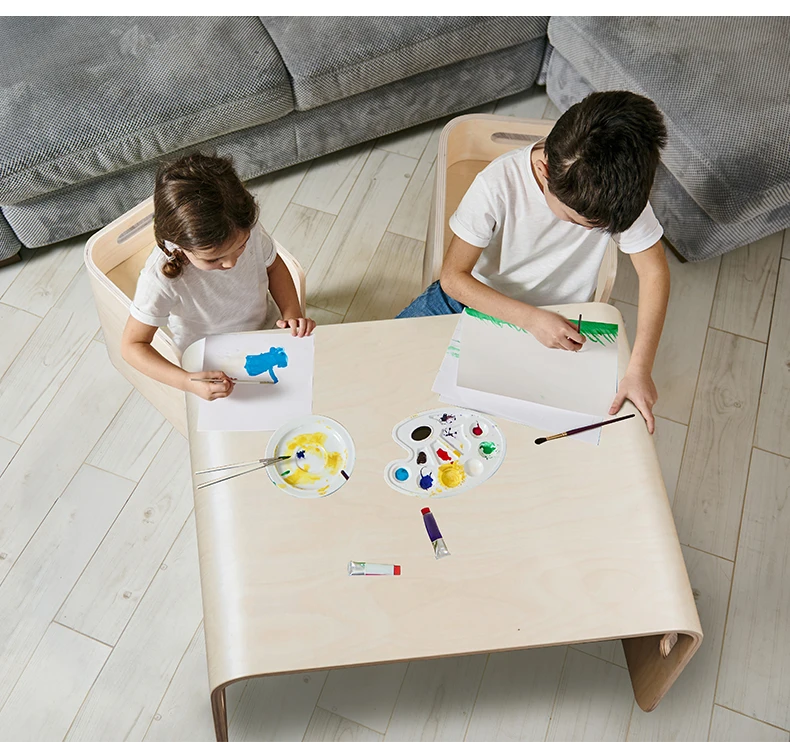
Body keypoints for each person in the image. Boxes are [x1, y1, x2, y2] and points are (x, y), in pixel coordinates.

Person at [398, 91, 670, 433]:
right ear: (544, 172)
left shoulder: (619, 192)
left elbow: (654, 271)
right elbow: (453, 278)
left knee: (521, 437)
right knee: (387, 364)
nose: (592, 232)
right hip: (471, 298)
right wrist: (530, 319)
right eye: (579, 222)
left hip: (563, 320)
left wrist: (639, 369)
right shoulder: (497, 184)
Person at [121, 152, 315, 402]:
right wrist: (187, 381)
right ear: (178, 246)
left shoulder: (244, 226)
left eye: (241, 247)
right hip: (209, 363)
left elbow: (274, 266)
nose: (232, 262)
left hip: (266, 332)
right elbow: (132, 346)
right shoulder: (160, 279)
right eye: (213, 259)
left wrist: (292, 313)